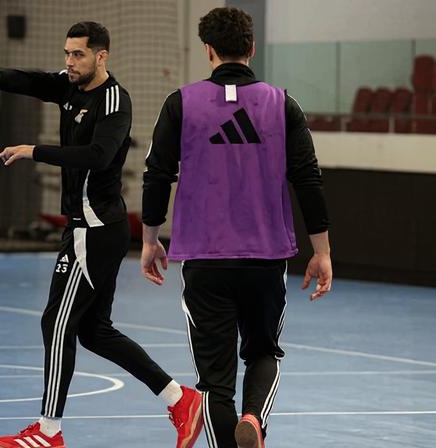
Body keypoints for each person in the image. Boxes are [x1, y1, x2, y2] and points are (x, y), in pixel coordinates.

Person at [0, 21, 203, 448]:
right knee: (95, 330)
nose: (69, 62)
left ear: (101, 56)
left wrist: (34, 151)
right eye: (67, 53)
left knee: (58, 322)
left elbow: (100, 157)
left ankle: (49, 431)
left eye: (78, 54)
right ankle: (180, 399)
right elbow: (27, 80)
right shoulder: (68, 86)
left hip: (95, 228)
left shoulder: (115, 100)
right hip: (88, 227)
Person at [140, 7, 333, 448]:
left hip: (204, 258)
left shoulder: (180, 103)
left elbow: (156, 174)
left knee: (213, 378)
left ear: (207, 49)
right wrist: (321, 251)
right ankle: (254, 419)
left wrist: (150, 239)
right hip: (265, 258)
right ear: (251, 48)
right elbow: (308, 178)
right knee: (264, 352)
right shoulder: (283, 104)